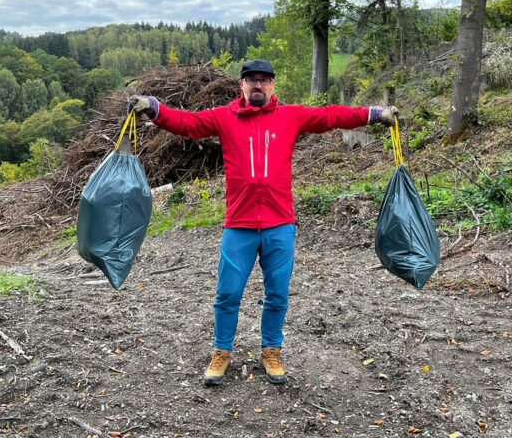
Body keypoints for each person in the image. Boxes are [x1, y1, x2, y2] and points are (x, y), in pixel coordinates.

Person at [130, 60, 398, 386]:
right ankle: (222, 352)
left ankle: (272, 351)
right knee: (227, 294)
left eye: (264, 81)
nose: (258, 86)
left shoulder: (291, 116)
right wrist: (154, 108)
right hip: (238, 225)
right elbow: (188, 123)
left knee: (277, 295)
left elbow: (331, 116)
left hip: (280, 225)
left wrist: (373, 114)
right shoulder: (224, 118)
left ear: (272, 85)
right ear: (241, 86)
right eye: (251, 81)